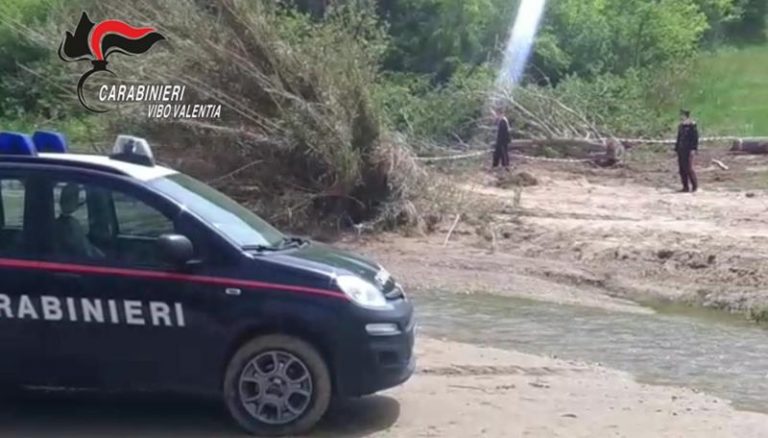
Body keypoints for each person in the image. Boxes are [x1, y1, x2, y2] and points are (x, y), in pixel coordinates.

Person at [675, 109, 699, 192]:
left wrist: (693, 149)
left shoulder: (692, 126)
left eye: (682, 115)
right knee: (681, 169)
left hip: (689, 150)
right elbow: (679, 138)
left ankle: (694, 186)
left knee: (688, 168)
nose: (680, 117)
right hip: (681, 150)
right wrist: (676, 148)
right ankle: (685, 187)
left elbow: (695, 138)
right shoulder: (681, 126)